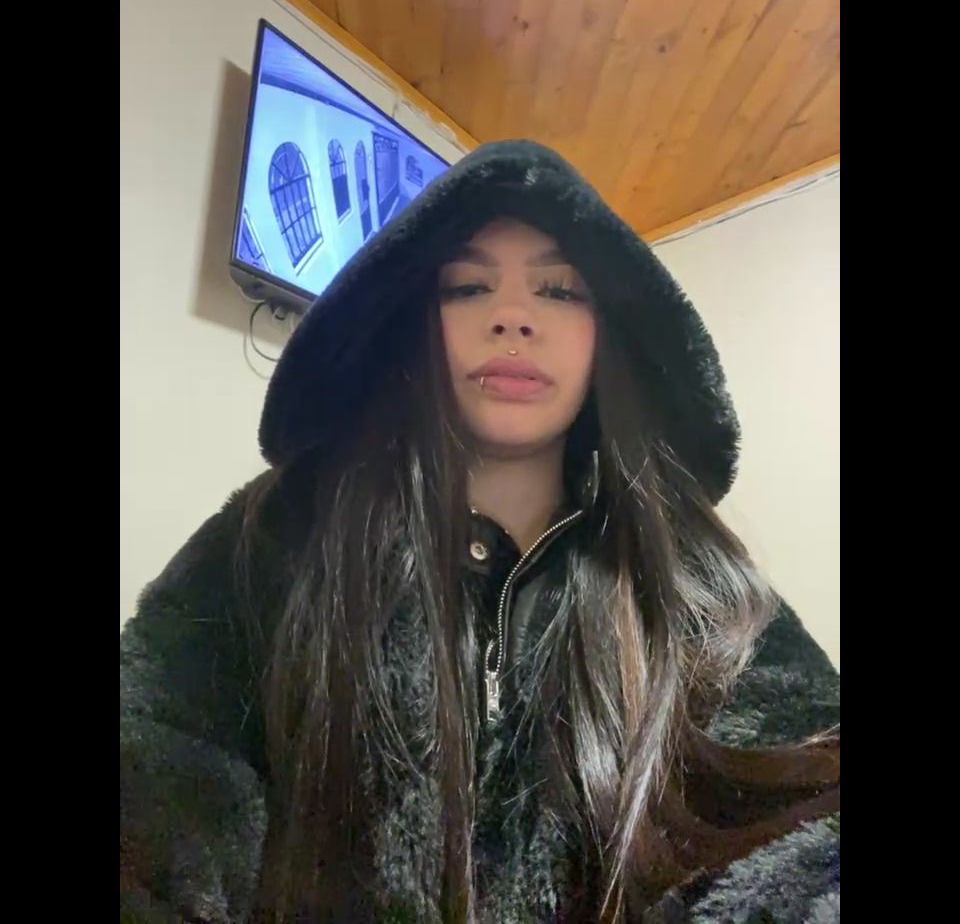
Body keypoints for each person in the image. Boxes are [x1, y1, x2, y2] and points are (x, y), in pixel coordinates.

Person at [120, 140, 839, 923]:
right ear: (413, 325)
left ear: (609, 334)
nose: (512, 316)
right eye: (467, 286)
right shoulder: (279, 539)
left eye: (559, 289)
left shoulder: (693, 580)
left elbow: (803, 825)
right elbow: (157, 780)